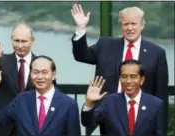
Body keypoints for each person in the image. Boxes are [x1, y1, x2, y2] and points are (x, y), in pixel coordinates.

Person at [70, 4, 168, 135]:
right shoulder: (106, 45)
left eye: (134, 24)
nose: (130, 28)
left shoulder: (156, 53)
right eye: (125, 24)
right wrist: (81, 29)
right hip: (109, 117)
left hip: (143, 119)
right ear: (121, 26)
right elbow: (82, 55)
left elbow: (160, 94)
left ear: (142, 25)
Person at [0, 56, 81, 136]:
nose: (39, 77)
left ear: (53, 75)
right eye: (35, 72)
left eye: (44, 72)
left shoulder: (68, 104)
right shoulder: (21, 100)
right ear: (30, 74)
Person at [0, 23, 37, 136]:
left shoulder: (41, 64)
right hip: (4, 126)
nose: (19, 45)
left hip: (32, 126)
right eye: (16, 40)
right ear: (11, 40)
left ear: (32, 40)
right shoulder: (2, 61)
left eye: (24, 41)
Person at [81, 59, 164, 136]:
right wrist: (89, 103)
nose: (128, 81)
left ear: (141, 80)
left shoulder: (155, 104)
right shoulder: (108, 102)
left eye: (133, 77)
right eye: (124, 76)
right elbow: (88, 123)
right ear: (120, 79)